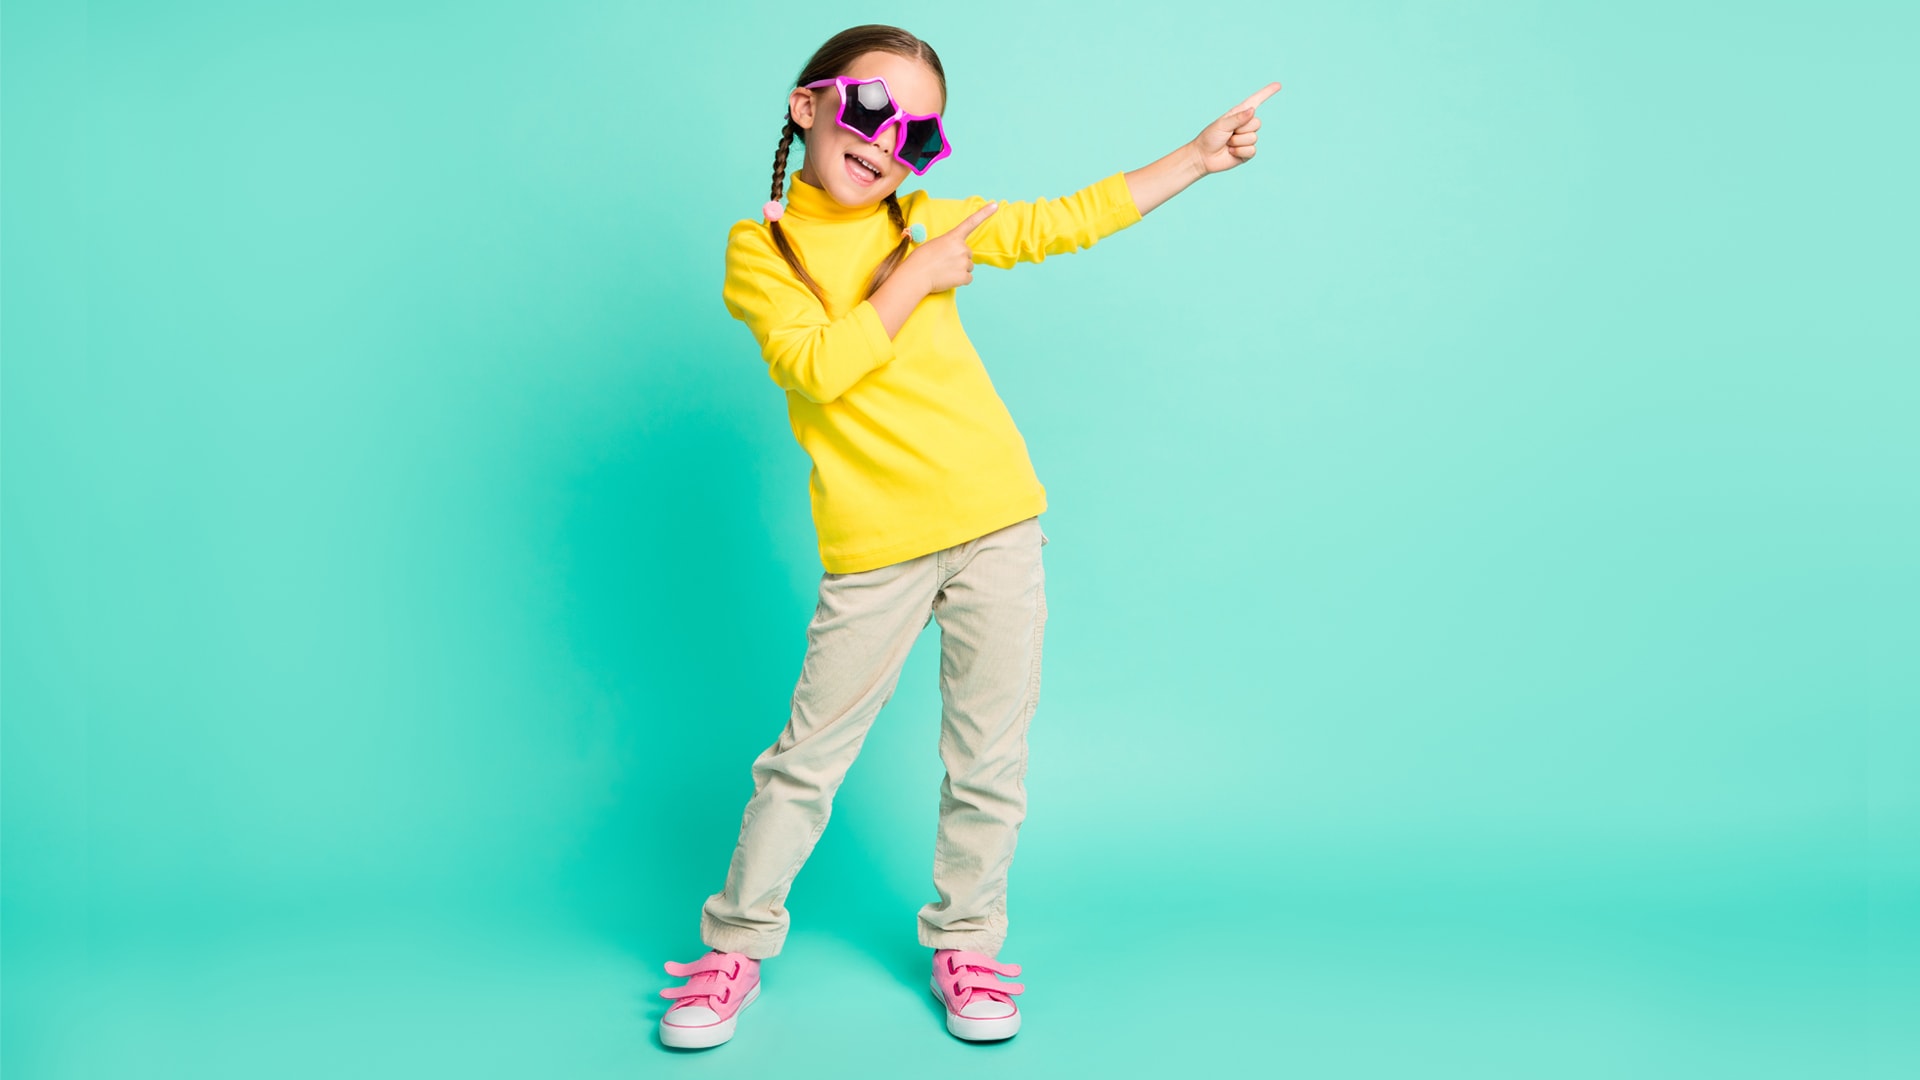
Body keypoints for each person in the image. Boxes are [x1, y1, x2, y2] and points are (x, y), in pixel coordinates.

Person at [656, 22, 1278, 1050]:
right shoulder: (762, 248)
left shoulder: (931, 219)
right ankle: (735, 948)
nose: (886, 141)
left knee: (988, 762)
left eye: (918, 134)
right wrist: (916, 278)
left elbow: (1065, 221)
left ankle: (969, 942)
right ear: (807, 106)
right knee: (805, 762)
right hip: (876, 548)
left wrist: (1197, 159)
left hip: (997, 524)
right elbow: (817, 367)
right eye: (870, 109)